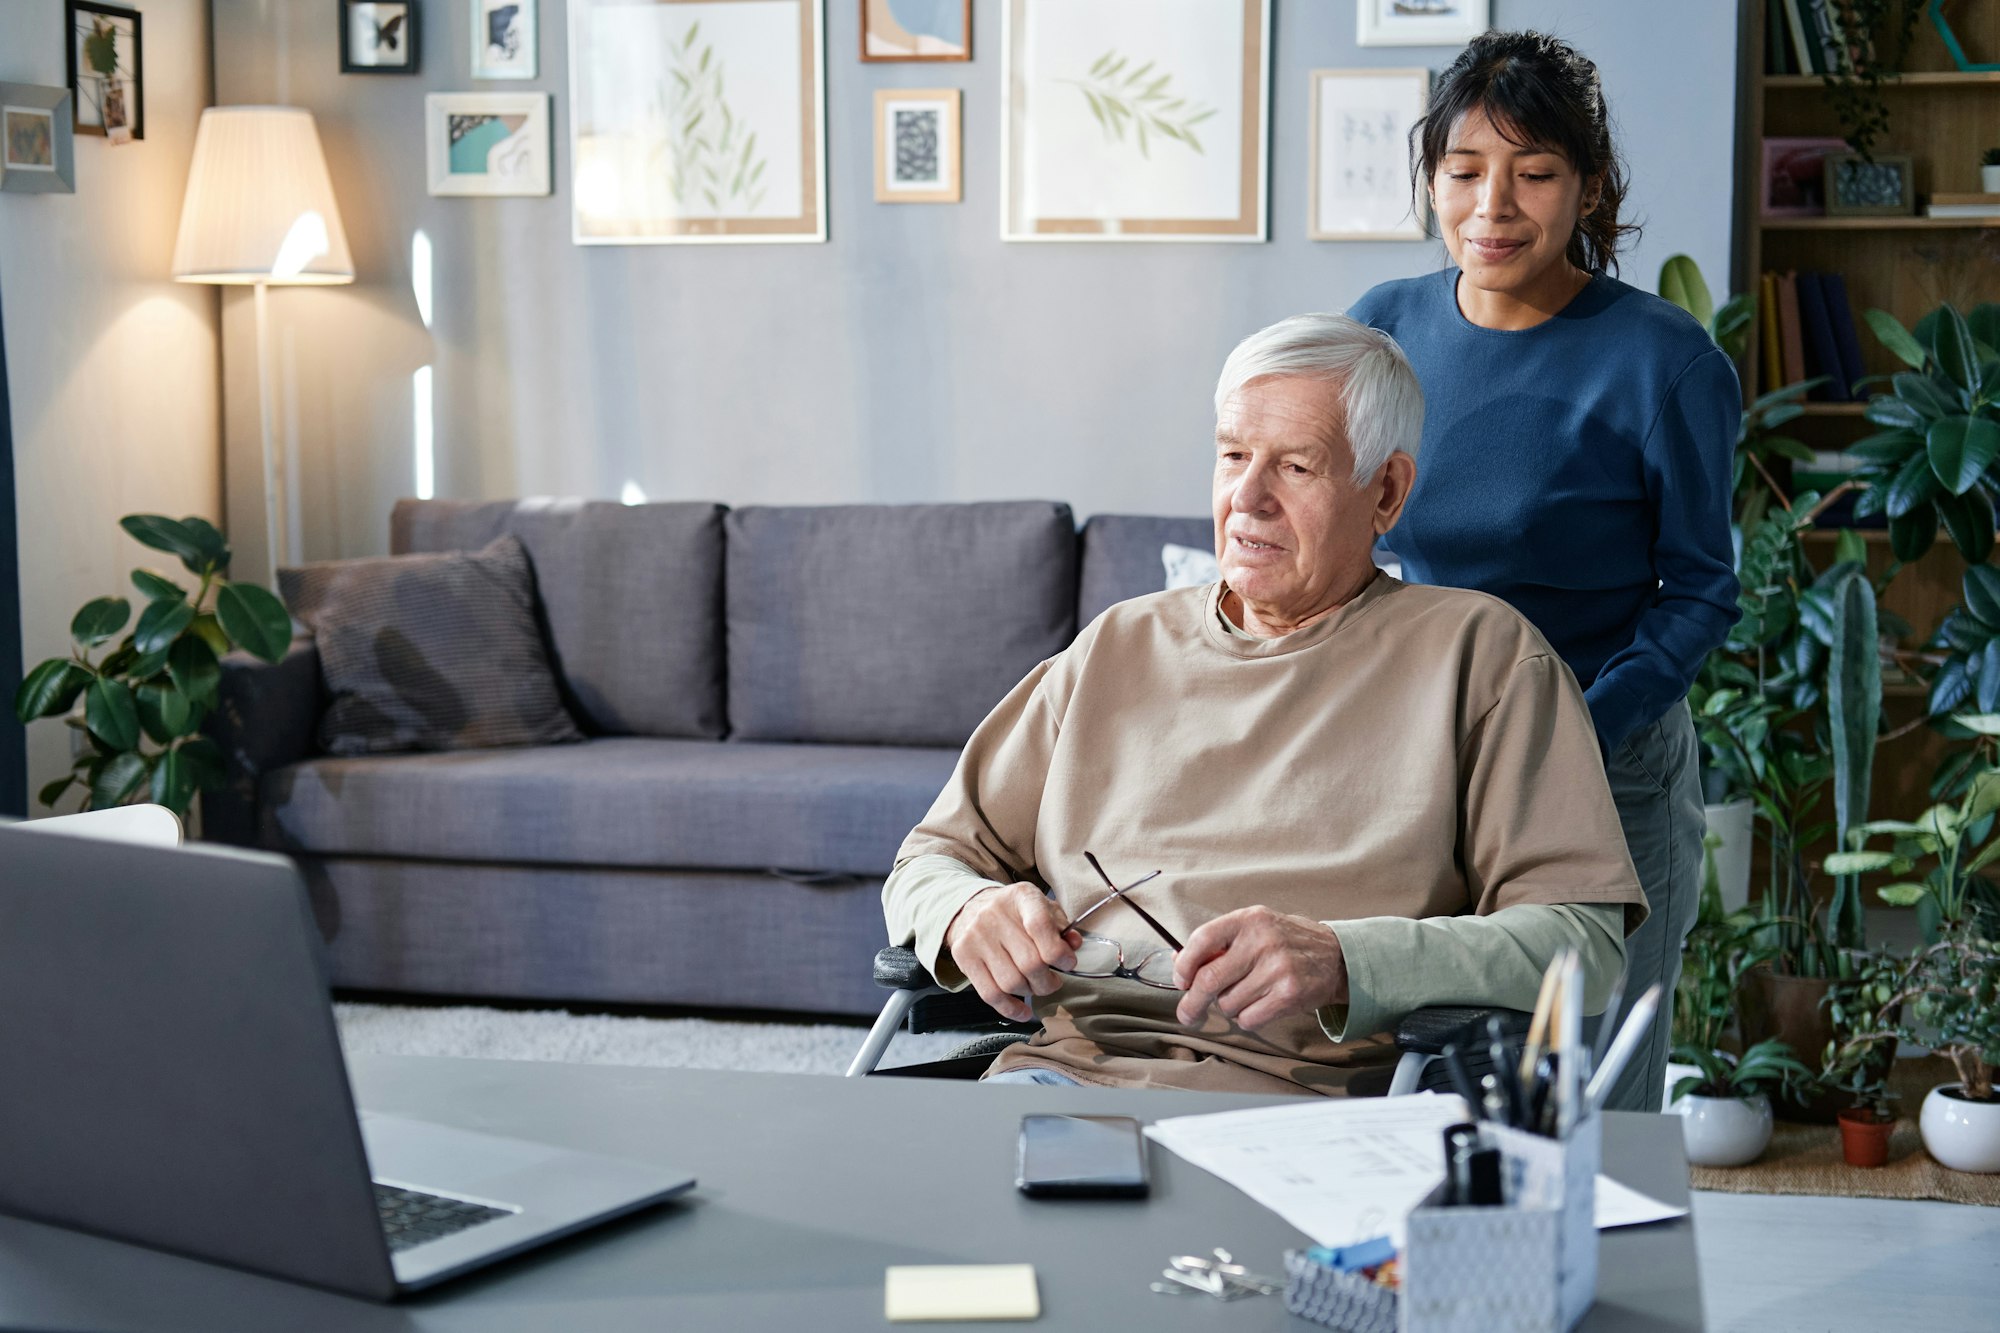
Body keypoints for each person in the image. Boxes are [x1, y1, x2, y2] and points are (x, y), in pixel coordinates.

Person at [880, 313, 1648, 1095]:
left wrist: (1347, 959)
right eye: (1234, 456)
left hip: (1308, 1111)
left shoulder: (1484, 657)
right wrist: (966, 908)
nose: (1248, 497)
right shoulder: (1115, 646)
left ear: (1386, 491)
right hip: (1061, 1080)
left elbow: (1581, 939)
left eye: (1297, 467)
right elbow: (929, 858)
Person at [1347, 31, 1741, 1113]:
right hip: (1430, 758)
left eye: (1533, 174)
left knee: (1586, 1101)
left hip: (1603, 767)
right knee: (1434, 1083)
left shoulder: (1663, 361)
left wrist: (1578, 726)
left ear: (1586, 189)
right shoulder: (1382, 328)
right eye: (1464, 171)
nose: (1493, 206)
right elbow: (1342, 537)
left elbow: (1702, 588)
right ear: (1430, 180)